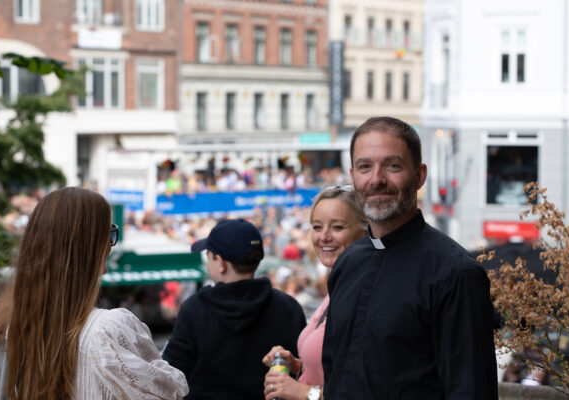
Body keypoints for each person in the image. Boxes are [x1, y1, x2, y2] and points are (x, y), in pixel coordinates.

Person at [322, 117, 498, 399]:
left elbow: (471, 390)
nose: (376, 179)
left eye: (392, 165)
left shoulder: (456, 275)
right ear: (353, 176)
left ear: (419, 176)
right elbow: (334, 371)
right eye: (365, 166)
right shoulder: (348, 263)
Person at [0, 187, 188, 400]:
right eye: (108, 233)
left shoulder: (18, 327)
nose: (110, 244)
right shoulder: (109, 329)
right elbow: (171, 391)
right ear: (90, 245)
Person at [162, 218, 307, 400]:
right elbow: (304, 369)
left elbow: (172, 373)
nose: (208, 263)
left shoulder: (194, 309)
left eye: (209, 257)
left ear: (221, 263)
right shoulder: (288, 306)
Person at [262, 186, 368, 400]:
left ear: (365, 232)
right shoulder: (339, 286)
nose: (324, 237)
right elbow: (336, 371)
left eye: (337, 227)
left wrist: (304, 392)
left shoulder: (368, 295)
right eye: (317, 227)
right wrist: (298, 365)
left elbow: (373, 389)